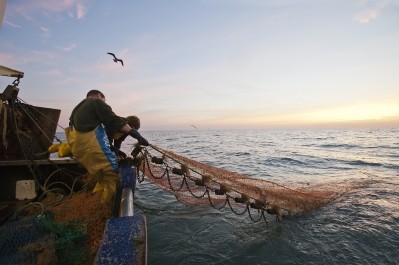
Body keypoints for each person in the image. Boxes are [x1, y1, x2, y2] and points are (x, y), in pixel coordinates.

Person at [67, 89, 149, 204]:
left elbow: (116, 144)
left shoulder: (77, 109)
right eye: (104, 100)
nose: (104, 103)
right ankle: (104, 207)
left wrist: (117, 151)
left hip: (77, 149)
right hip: (91, 147)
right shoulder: (96, 103)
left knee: (101, 176)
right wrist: (137, 136)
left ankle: (96, 197)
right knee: (113, 176)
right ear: (99, 96)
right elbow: (113, 122)